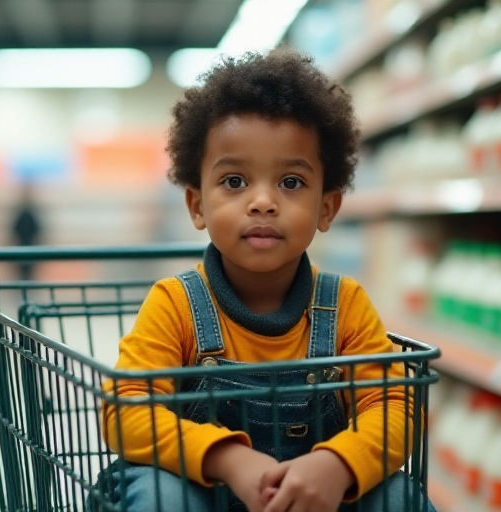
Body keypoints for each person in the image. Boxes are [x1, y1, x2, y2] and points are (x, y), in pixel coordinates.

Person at [97, 50, 434, 512]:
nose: (262, 202)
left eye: (291, 183)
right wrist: (228, 459)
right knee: (163, 497)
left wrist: (338, 464)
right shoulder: (176, 305)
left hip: (314, 498)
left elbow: (396, 407)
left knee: (399, 497)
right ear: (197, 205)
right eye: (234, 181)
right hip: (203, 492)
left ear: (327, 208)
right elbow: (126, 411)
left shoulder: (345, 307)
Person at [11, 185, 41, 281]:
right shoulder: (30, 213)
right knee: (26, 272)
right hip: (27, 246)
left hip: (24, 246)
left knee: (26, 272)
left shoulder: (24, 213)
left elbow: (14, 231)